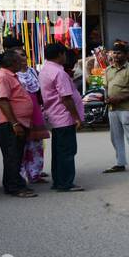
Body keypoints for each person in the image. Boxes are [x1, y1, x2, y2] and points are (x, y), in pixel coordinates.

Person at [0, 48, 37, 198]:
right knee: (12, 155)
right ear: (12, 62)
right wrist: (15, 123)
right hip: (9, 123)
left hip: (16, 121)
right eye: (19, 60)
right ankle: (14, 187)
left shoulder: (10, 75)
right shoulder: (2, 76)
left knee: (15, 155)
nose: (22, 62)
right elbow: (3, 100)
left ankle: (14, 183)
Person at [40, 42, 85, 192]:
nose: (65, 56)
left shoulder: (45, 69)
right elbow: (66, 98)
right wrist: (76, 117)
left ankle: (59, 181)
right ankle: (65, 182)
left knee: (59, 151)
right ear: (60, 54)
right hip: (63, 117)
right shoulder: (59, 73)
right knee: (67, 151)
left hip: (54, 116)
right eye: (64, 53)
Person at [4, 39, 50, 186]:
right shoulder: (10, 75)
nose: (21, 58)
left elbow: (40, 93)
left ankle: (35, 173)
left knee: (36, 145)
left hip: (35, 111)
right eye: (18, 56)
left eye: (23, 55)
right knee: (21, 146)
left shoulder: (33, 71)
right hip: (19, 114)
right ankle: (21, 175)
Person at [103, 41, 129, 175]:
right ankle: (120, 163)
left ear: (126, 55)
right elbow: (106, 87)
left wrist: (122, 98)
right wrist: (106, 98)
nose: (115, 55)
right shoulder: (108, 70)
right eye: (114, 52)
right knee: (115, 138)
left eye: (119, 53)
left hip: (127, 109)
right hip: (112, 109)